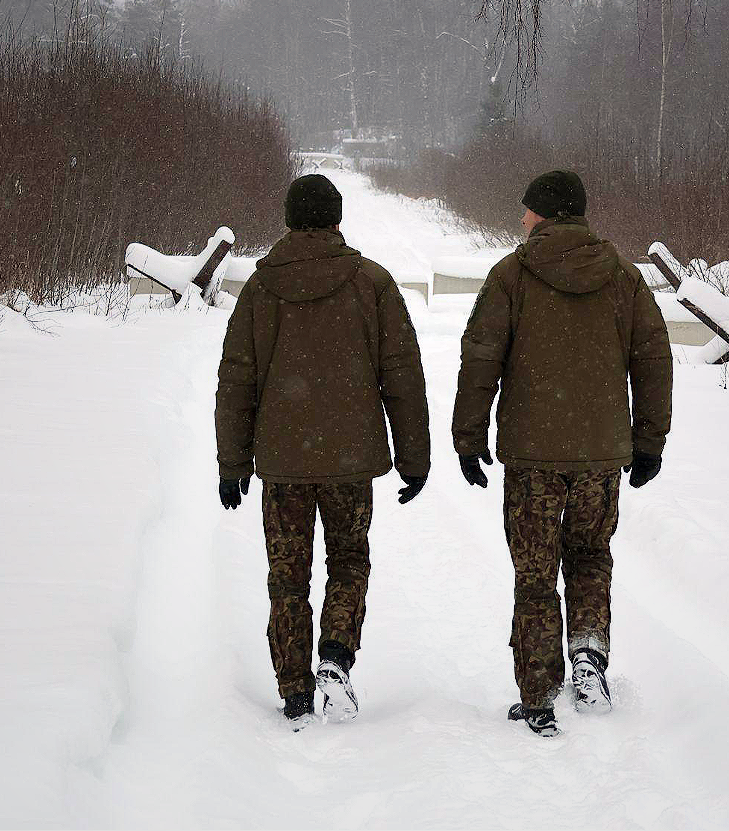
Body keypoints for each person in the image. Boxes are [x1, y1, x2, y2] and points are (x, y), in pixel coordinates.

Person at [452, 169, 672, 737]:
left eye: (527, 210)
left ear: (545, 213)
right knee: (591, 556)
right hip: (599, 455)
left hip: (532, 458)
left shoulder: (512, 276)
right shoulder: (623, 277)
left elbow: (481, 358)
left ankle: (538, 693)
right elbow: (653, 360)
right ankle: (589, 657)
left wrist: (469, 437)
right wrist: (649, 440)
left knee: (534, 571)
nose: (521, 219)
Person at [216, 174, 430, 731]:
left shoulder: (261, 290)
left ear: (289, 219)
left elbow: (237, 379)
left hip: (284, 464)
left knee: (287, 576)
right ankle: (335, 655)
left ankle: (294, 691)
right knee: (349, 560)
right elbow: (401, 375)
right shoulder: (372, 283)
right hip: (349, 461)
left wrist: (232, 462)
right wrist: (414, 457)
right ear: (337, 219)